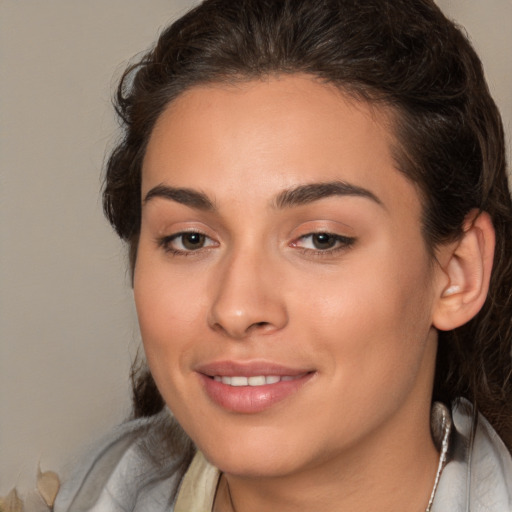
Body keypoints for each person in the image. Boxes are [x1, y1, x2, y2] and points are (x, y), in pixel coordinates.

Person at [52, 0, 512, 510]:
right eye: (190, 239)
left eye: (321, 239)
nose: (237, 309)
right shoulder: (83, 493)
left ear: (457, 273)